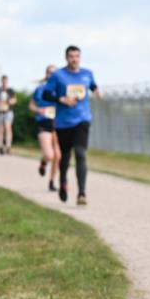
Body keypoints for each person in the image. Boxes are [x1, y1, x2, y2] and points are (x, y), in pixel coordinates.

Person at [43, 46, 102, 205]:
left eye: (77, 56)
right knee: (65, 157)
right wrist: (61, 99)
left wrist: (97, 91)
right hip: (63, 122)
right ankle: (63, 181)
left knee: (80, 153)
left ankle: (81, 193)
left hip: (82, 119)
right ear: (66, 58)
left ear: (80, 58)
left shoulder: (86, 73)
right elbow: (46, 94)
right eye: (71, 56)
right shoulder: (58, 75)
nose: (74, 59)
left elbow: (92, 85)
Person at [29, 65, 61, 192]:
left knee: (58, 156)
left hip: (58, 124)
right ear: (46, 74)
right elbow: (31, 105)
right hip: (44, 123)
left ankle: (52, 182)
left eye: (54, 73)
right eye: (49, 72)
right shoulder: (40, 89)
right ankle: (44, 161)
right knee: (49, 155)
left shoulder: (60, 89)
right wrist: (38, 109)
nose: (51, 75)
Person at [0, 75, 17, 155]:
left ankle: (8, 146)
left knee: (8, 127)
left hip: (7, 112)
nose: (4, 82)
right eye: (3, 81)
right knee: (0, 130)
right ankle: (0, 146)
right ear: (1, 81)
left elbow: (14, 100)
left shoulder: (10, 90)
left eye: (5, 81)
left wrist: (8, 102)